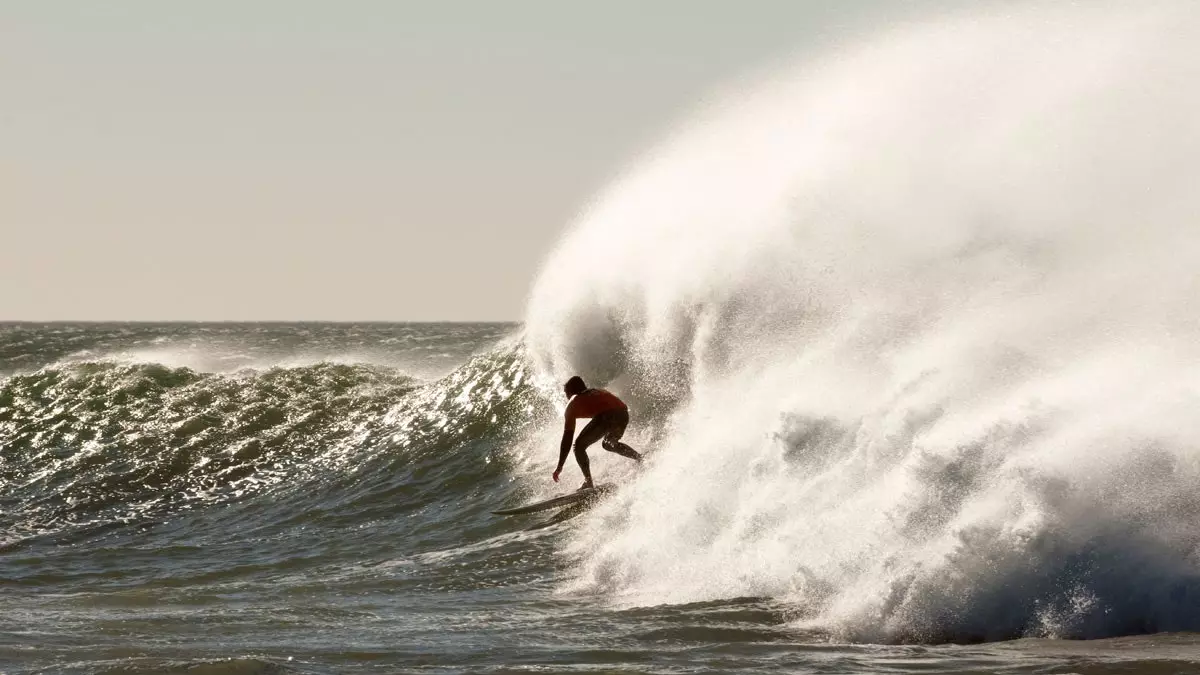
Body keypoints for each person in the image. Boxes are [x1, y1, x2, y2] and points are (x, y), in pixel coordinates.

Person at [553, 375, 643, 490]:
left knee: (579, 446)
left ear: (571, 392)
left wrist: (560, 466)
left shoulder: (573, 401)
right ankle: (640, 458)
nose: (566, 397)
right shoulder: (598, 391)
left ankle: (588, 481)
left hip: (607, 416)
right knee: (608, 443)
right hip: (623, 414)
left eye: (566, 393)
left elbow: (567, 438)